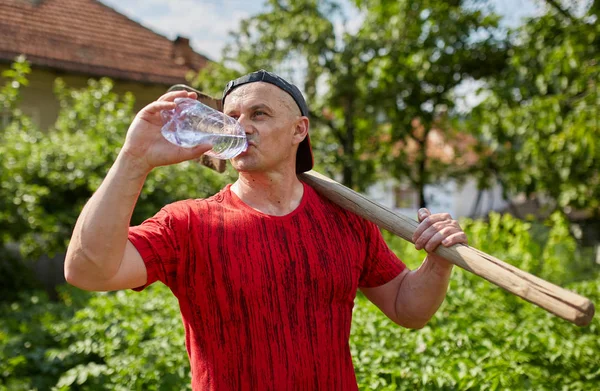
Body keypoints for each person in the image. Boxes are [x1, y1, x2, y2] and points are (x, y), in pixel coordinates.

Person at [65, 70, 468, 390]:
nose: (241, 126)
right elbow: (87, 270)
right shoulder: (188, 223)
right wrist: (134, 159)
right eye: (232, 117)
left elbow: (406, 308)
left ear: (299, 130)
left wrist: (438, 260)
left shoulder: (346, 219)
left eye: (258, 114)